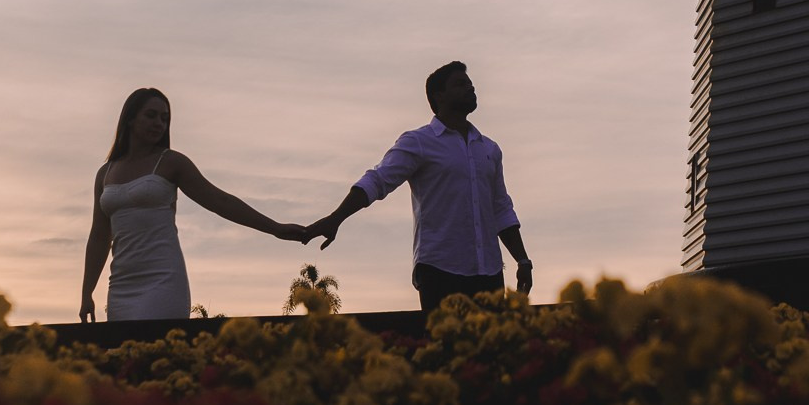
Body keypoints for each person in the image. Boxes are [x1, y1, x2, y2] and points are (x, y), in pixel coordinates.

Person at [307, 62, 533, 314]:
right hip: (440, 271)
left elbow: (500, 209)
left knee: (491, 340)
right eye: (460, 84)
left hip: (489, 272)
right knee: (443, 339)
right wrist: (336, 218)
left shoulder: (489, 149)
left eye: (470, 83)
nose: (470, 88)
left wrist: (522, 260)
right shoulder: (419, 142)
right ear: (439, 96)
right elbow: (378, 180)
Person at [80, 87, 310, 322]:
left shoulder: (171, 162)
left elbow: (219, 201)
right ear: (130, 119)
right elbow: (99, 236)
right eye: (151, 115)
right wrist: (87, 293)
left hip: (163, 280)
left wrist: (275, 228)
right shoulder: (105, 173)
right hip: (121, 286)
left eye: (164, 118)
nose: (159, 123)